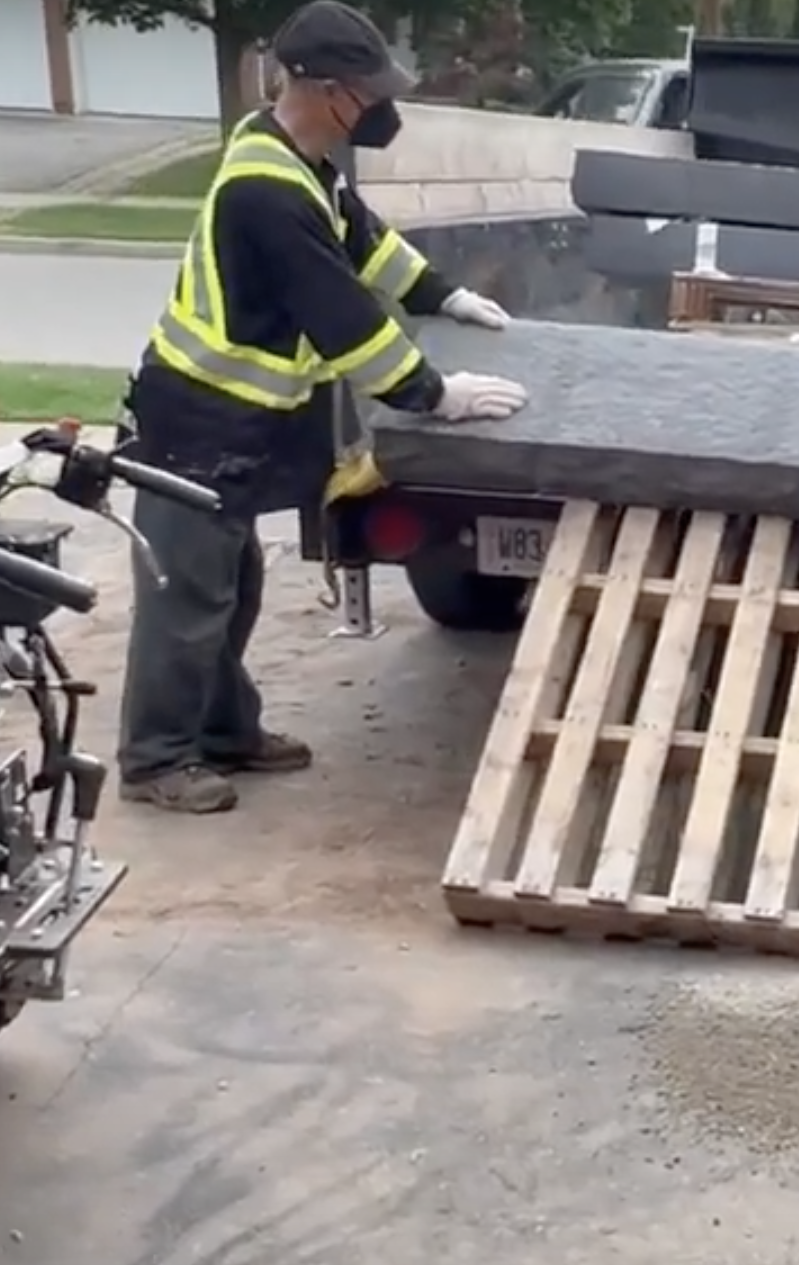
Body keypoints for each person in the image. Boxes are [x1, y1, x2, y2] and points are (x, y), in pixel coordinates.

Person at [116, 0, 530, 816]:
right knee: (186, 599)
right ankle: (156, 758)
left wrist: (446, 297)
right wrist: (433, 394)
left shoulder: (298, 160)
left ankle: (226, 732)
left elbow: (365, 242)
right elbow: (340, 314)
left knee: (230, 591)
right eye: (368, 92)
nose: (379, 109)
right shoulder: (264, 192)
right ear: (326, 90)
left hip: (234, 429)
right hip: (192, 425)